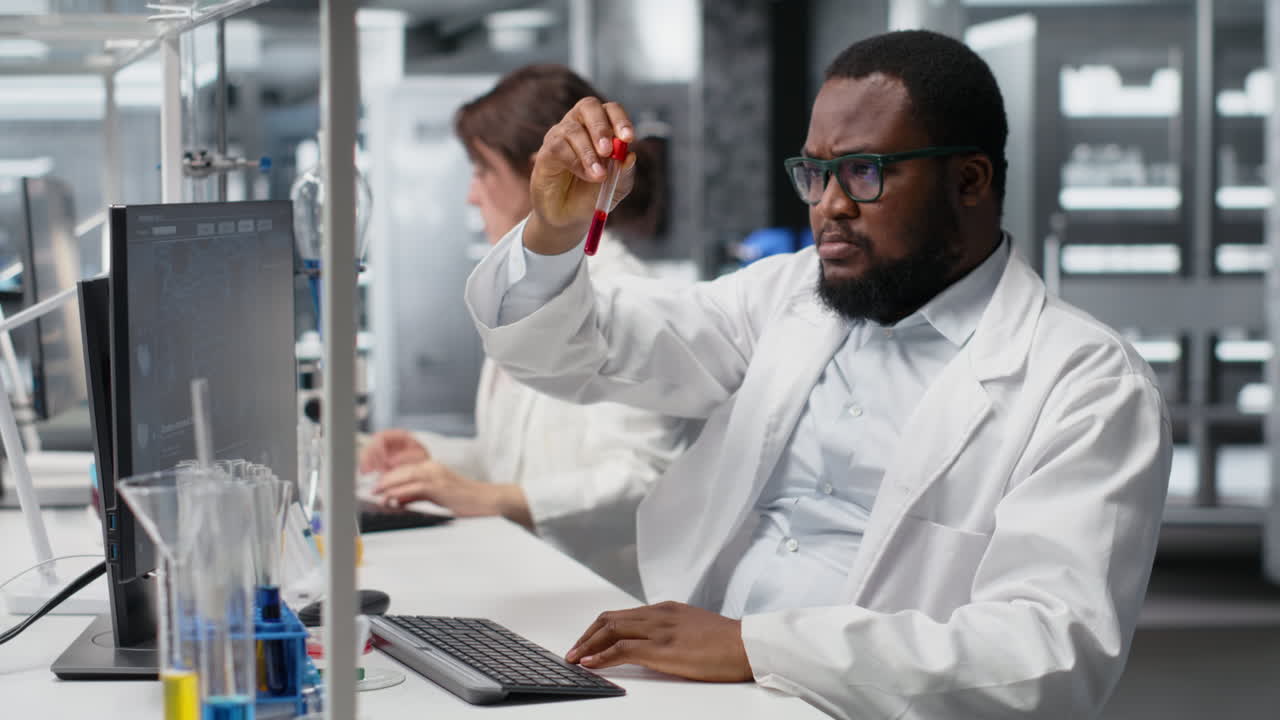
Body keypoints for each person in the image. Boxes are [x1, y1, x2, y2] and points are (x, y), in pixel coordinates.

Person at [463, 31, 1172, 719]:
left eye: (865, 171)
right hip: (693, 688)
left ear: (969, 179)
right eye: (815, 172)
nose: (828, 203)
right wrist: (552, 233)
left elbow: (1049, 654)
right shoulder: (787, 295)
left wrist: (754, 646)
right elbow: (573, 353)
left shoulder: (1085, 384)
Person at [360, 64, 688, 598]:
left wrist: (490, 500)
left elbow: (642, 481)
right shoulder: (528, 294)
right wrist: (434, 458)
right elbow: (516, 462)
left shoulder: (628, 299)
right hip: (530, 583)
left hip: (607, 601)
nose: (472, 195)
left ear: (545, 172)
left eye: (482, 170)